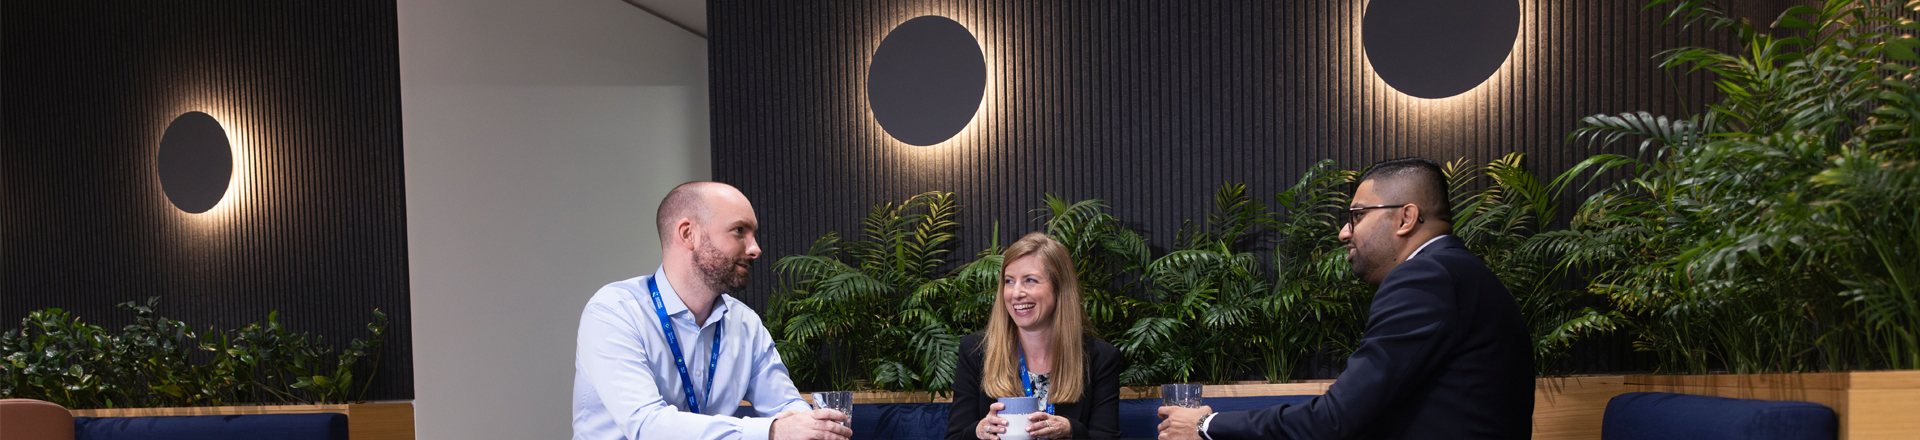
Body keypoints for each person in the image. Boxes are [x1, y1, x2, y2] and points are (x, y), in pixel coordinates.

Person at [1158, 158, 1533, 440]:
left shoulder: (1425, 277)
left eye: (1356, 216)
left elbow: (1335, 419)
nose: (1343, 233)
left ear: (1405, 218)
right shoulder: (1460, 272)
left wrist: (1206, 424)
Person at [574, 182, 852, 440]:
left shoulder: (745, 323)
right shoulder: (614, 312)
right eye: (739, 231)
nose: (755, 249)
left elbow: (784, 405)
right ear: (687, 234)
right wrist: (772, 431)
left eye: (753, 234)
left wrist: (813, 426)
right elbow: (647, 425)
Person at [948, 232, 1122, 440]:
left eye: (1030, 280)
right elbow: (955, 437)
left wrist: (1071, 431)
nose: (1016, 293)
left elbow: (1107, 436)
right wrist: (978, 431)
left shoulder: (1100, 357)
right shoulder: (975, 350)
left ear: (1060, 289)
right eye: (1009, 281)